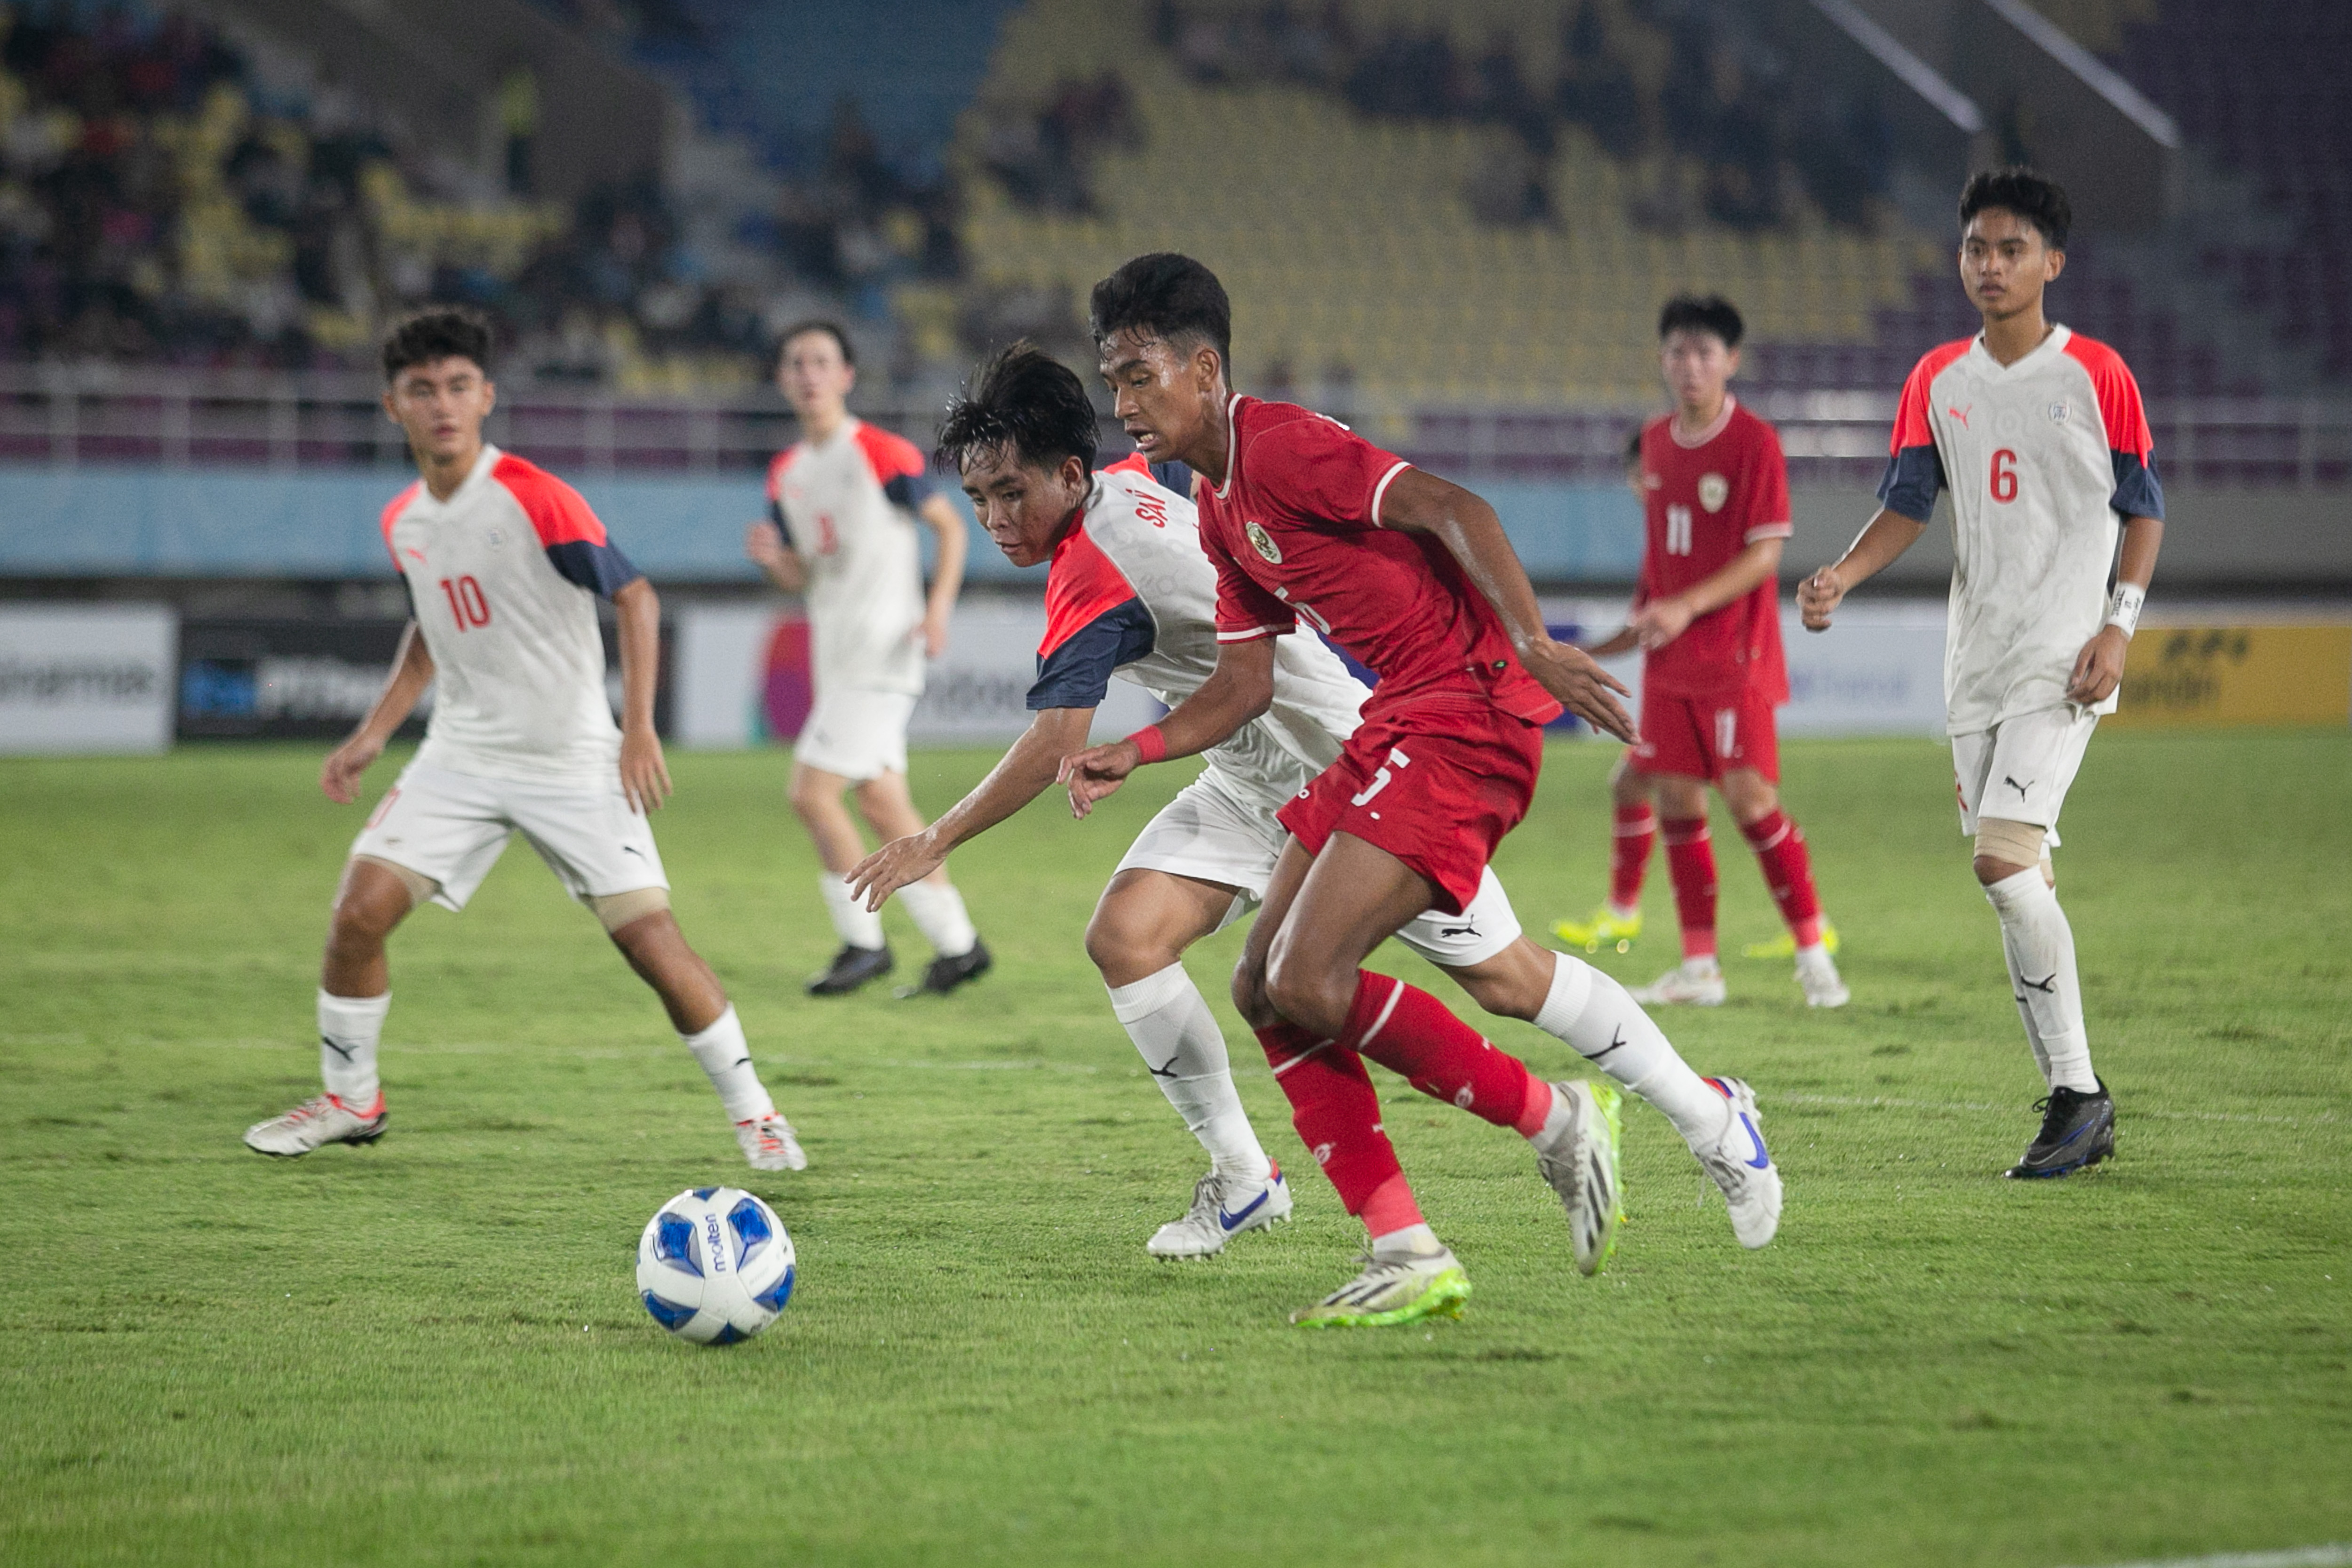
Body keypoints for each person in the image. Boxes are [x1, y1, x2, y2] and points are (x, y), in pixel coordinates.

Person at [850, 343, 1778, 1272]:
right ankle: (1245, 1175)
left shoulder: (1097, 571)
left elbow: (1055, 740)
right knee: (1128, 937)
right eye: (979, 499)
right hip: (1247, 776)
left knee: (1504, 977)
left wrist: (933, 840)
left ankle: (1703, 1113)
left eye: (1012, 492)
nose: (996, 519)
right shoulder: (1128, 483)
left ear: (1069, 473)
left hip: (1350, 762)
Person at [1057, 255, 1784, 1327]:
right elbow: (1246, 682)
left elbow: (1454, 505)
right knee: (1268, 983)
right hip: (1399, 719)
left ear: (1205, 370)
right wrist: (1145, 746)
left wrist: (1533, 643)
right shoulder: (1218, 507)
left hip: (1470, 712)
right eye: (1111, 382)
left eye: (1140, 376)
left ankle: (1564, 1120)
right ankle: (1411, 1242)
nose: (1122, 405)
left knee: (1318, 972)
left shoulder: (1287, 444)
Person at [243, 307, 804, 1171]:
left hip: (570, 757)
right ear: (392, 405)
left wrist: (637, 730)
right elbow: (431, 634)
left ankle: (757, 1115)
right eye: (422, 389)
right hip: (462, 757)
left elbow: (638, 597)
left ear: (488, 397)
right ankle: (351, 1100)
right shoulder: (405, 520)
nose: (443, 404)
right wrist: (371, 735)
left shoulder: (536, 496)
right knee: (356, 917)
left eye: (459, 386)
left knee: (655, 947)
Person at [1800, 167, 2163, 1178]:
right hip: (1976, 662)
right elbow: (1909, 503)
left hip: (2063, 655)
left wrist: (2119, 628)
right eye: (1975, 249)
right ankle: (2074, 1102)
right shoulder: (1936, 380)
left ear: (2052, 261)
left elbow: (2144, 508)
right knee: (2021, 874)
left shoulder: (2097, 373)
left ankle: (2079, 1092)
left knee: (1999, 863)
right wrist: (1841, 573)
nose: (1990, 265)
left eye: (2009, 249)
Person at [1554, 296, 1848, 1009]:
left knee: (1751, 801)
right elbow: (1660, 565)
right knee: (1679, 801)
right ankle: (1699, 969)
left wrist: (1687, 605)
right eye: (1679, 353)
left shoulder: (1754, 442)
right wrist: (1622, 637)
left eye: (1706, 353)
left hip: (1733, 655)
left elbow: (1765, 554)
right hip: (1670, 665)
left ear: (1732, 361)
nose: (1691, 366)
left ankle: (1816, 960)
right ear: (1662, 360)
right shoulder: (1655, 443)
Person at [744, 321, 992, 998]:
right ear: (783, 379)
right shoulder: (787, 473)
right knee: (884, 804)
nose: (809, 373)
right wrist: (777, 564)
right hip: (839, 654)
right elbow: (804, 577)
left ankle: (863, 941)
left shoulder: (878, 451)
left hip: (884, 649)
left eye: (822, 361)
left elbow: (949, 526)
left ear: (847, 376)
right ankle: (959, 945)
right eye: (797, 362)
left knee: (811, 791)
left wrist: (937, 608)